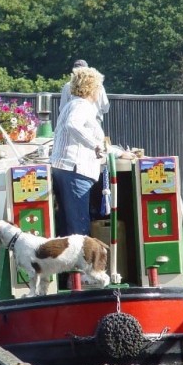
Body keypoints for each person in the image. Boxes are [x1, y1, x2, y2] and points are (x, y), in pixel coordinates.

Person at [50, 66, 106, 238]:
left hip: (63, 168)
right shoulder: (83, 106)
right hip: (76, 170)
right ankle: (82, 264)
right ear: (92, 88)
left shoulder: (69, 105)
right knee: (79, 227)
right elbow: (73, 125)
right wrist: (94, 145)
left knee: (67, 224)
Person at [60, 59, 109, 123]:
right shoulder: (98, 84)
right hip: (95, 119)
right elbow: (105, 107)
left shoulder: (68, 86)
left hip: (73, 119)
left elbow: (62, 108)